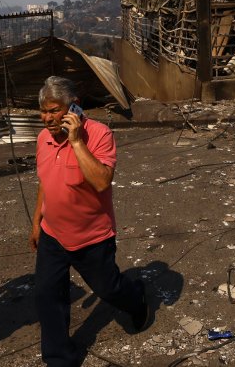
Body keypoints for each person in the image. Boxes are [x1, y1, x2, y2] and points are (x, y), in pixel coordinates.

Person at [29, 76, 149, 367]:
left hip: (91, 236)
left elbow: (100, 181)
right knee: (47, 294)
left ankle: (136, 299)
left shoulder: (100, 134)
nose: (47, 118)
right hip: (53, 234)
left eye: (55, 110)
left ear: (74, 108)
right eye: (43, 111)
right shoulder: (43, 139)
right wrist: (37, 221)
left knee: (108, 289)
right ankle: (60, 359)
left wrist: (76, 141)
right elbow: (46, 181)